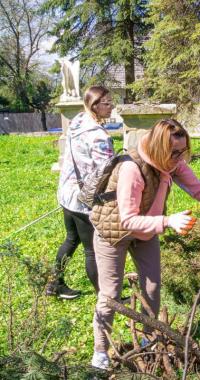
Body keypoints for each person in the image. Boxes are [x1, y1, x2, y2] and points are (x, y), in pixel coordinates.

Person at [90, 119, 200, 369]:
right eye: (175, 153)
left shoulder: (171, 163)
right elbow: (128, 220)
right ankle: (100, 352)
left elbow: (196, 188)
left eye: (183, 151)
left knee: (152, 287)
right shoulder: (132, 170)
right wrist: (168, 221)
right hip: (114, 233)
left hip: (147, 230)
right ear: (159, 148)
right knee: (111, 295)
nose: (180, 158)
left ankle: (149, 340)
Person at [47, 86, 115, 299]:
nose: (111, 106)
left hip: (67, 192)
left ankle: (54, 284)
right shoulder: (98, 135)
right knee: (92, 249)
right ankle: (106, 298)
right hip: (83, 199)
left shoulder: (77, 121)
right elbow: (108, 171)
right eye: (107, 103)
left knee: (71, 239)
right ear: (95, 106)